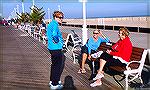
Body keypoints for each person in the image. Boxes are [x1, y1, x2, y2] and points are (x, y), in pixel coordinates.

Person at [46, 11, 65, 90]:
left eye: (62, 17)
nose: (62, 19)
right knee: (57, 66)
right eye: (60, 17)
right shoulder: (54, 24)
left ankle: (52, 80)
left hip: (52, 48)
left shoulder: (51, 24)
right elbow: (54, 35)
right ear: (55, 17)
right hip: (56, 48)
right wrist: (58, 41)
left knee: (54, 65)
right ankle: (54, 84)